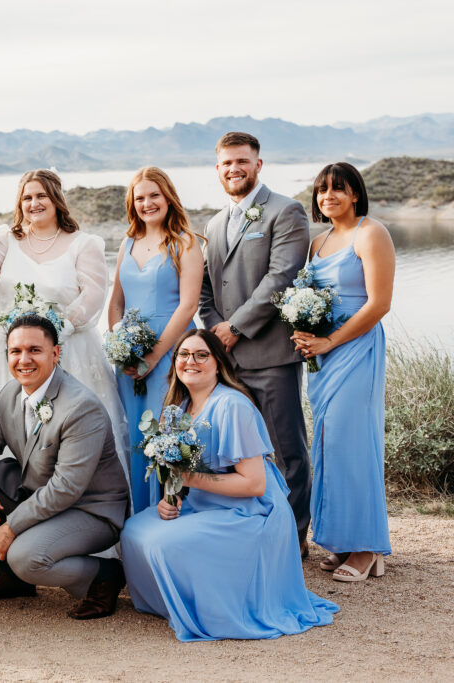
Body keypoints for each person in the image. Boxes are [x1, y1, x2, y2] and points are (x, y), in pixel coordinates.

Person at [0, 169, 130, 557]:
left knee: (64, 439)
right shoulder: (9, 238)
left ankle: (68, 528)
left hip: (65, 348)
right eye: (26, 198)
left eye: (41, 196)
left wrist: (54, 331)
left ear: (56, 198)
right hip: (5, 348)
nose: (34, 204)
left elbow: (92, 297)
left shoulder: (84, 243)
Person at [120, 329, 339, 641]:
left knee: (162, 544)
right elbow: (176, 472)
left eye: (201, 355)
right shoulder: (176, 409)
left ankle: (210, 609)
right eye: (183, 354)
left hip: (250, 512)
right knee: (133, 531)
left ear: (218, 363)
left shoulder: (231, 405)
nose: (190, 361)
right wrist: (171, 498)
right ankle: (175, 604)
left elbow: (254, 484)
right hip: (204, 505)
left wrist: (192, 479)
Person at [0, 315, 130, 619]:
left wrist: (9, 528)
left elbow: (66, 488)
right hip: (42, 495)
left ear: (55, 354)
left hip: (91, 509)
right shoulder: (11, 393)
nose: (24, 359)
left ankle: (104, 575)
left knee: (26, 558)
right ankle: (11, 580)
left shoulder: (80, 407)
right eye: (15, 351)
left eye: (34, 350)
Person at [199, 132, 312, 554]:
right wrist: (214, 333)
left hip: (270, 355)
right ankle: (253, 532)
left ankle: (293, 539)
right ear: (217, 169)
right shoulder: (213, 224)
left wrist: (235, 327)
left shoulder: (285, 211)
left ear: (258, 164)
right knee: (238, 453)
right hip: (226, 360)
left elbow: (280, 279)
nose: (234, 169)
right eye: (227, 163)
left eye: (242, 161)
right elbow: (206, 291)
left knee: (286, 450)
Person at [293, 162, 394, 581]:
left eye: (338, 189)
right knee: (330, 443)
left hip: (355, 349)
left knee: (354, 442)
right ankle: (343, 540)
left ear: (355, 194)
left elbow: (379, 303)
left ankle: (368, 547)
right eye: (321, 190)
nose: (328, 196)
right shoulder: (318, 244)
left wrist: (332, 340)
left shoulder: (371, 233)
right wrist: (304, 331)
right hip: (322, 357)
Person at [108, 167, 204, 514]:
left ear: (168, 197)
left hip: (172, 354)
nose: (147, 203)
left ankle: (170, 517)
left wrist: (154, 356)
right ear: (132, 204)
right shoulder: (127, 242)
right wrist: (122, 347)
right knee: (134, 438)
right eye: (140, 198)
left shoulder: (186, 243)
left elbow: (189, 304)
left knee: (167, 436)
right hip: (130, 361)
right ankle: (137, 522)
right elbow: (116, 302)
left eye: (154, 196)